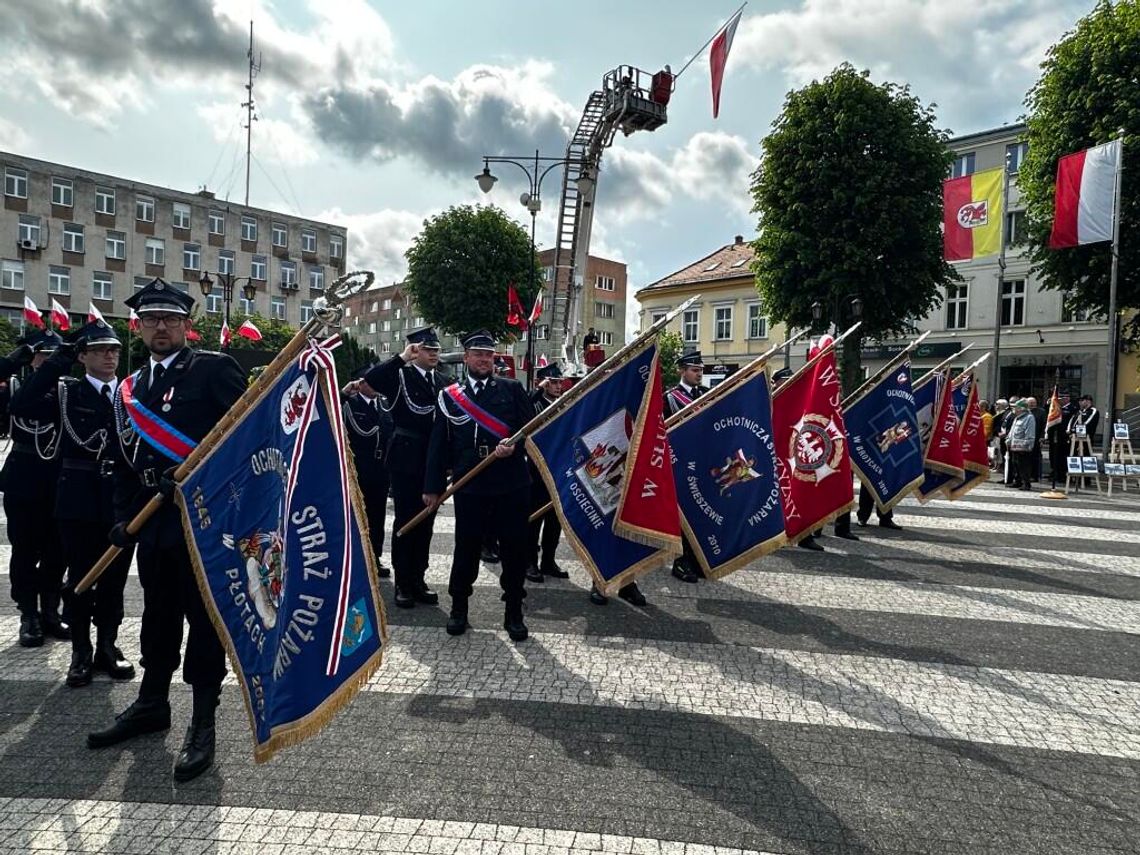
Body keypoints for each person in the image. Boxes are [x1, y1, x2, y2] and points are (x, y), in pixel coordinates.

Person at [86, 279, 245, 783]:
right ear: (139, 325)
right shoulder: (132, 388)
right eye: (151, 319)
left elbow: (242, 443)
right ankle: (152, 703)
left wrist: (198, 478)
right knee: (157, 616)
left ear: (185, 325)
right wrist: (122, 515)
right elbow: (121, 461)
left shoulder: (215, 370)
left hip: (203, 527)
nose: (160, 326)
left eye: (170, 319)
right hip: (153, 526)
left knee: (203, 623)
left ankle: (203, 723)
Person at [11, 321, 136, 688]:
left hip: (118, 500)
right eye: (98, 350)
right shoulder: (65, 392)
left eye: (113, 349)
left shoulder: (131, 393)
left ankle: (108, 648)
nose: (109, 356)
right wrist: (57, 361)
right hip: (77, 499)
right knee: (81, 579)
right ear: (81, 356)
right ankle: (81, 651)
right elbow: (22, 403)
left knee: (114, 579)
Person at [423, 330, 535, 641]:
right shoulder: (450, 396)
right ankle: (459, 607)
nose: (484, 359)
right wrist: (433, 486)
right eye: (478, 354)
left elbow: (532, 432)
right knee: (466, 549)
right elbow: (438, 443)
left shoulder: (512, 390)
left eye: (489, 355)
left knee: (514, 551)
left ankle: (514, 610)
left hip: (511, 483)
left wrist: (516, 446)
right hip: (470, 485)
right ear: (466, 357)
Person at [357, 327, 442, 609]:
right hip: (407, 456)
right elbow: (372, 378)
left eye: (435, 350)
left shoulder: (443, 381)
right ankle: (403, 583)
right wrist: (402, 357)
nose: (432, 354)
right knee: (407, 519)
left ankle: (419, 577)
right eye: (426, 349)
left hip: (434, 457)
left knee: (427, 521)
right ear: (415, 351)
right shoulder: (399, 376)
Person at [3, 330, 69, 647]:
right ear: (33, 358)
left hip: (59, 481)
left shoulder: (69, 391)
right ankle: (28, 613)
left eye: (56, 355)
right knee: (25, 551)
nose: (50, 362)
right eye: (44, 355)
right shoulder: (15, 389)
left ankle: (50, 612)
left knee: (57, 553)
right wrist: (14, 361)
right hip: (23, 480)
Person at [342, 368, 395, 578]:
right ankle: (354, 558)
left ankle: (374, 557)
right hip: (357, 471)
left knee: (377, 516)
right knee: (355, 516)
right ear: (359, 383)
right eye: (369, 381)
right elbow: (330, 409)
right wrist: (345, 392)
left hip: (380, 470)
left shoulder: (385, 404)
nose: (374, 386)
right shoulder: (348, 404)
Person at [663, 351, 709, 579]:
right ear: (681, 371)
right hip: (679, 465)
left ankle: (697, 559)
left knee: (700, 513)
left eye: (701, 370)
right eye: (694, 370)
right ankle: (681, 562)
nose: (699, 374)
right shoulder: (669, 398)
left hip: (702, 463)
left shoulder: (708, 394)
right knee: (683, 516)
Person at [526, 363, 567, 584]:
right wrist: (537, 390)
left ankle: (548, 561)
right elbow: (523, 410)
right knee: (534, 519)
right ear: (542, 383)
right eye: (553, 382)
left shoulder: (563, 404)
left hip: (558, 469)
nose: (558, 386)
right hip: (536, 470)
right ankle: (530, 561)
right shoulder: (535, 404)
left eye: (560, 382)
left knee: (554, 519)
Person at [1006, 399, 1037, 491]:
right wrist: (1008, 440)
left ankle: (1026, 483)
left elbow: (1030, 434)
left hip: (1023, 447)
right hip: (1014, 446)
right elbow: (1012, 432)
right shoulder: (1017, 418)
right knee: (1015, 464)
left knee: (1023, 466)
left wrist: (1027, 445)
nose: (1014, 409)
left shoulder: (1029, 418)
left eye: (1016, 407)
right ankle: (1017, 481)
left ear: (1021, 409)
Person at [1027, 396, 1046, 482]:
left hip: (1036, 438)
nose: (1031, 404)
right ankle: (1027, 474)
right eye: (1030, 403)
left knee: (1035, 457)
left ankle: (1035, 476)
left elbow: (1044, 425)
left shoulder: (1041, 412)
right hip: (1026, 439)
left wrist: (1042, 437)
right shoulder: (1025, 411)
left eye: (1033, 402)